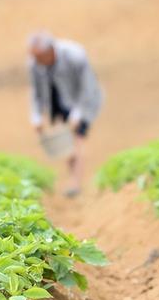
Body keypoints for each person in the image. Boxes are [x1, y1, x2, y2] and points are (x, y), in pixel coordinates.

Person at [27, 31, 103, 197]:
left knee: (78, 138)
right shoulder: (35, 63)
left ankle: (76, 183)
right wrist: (37, 116)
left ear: (50, 51)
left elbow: (87, 87)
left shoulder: (75, 55)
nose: (37, 62)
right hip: (57, 98)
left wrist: (78, 113)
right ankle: (74, 179)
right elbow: (36, 91)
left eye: (40, 58)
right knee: (66, 142)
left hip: (83, 99)